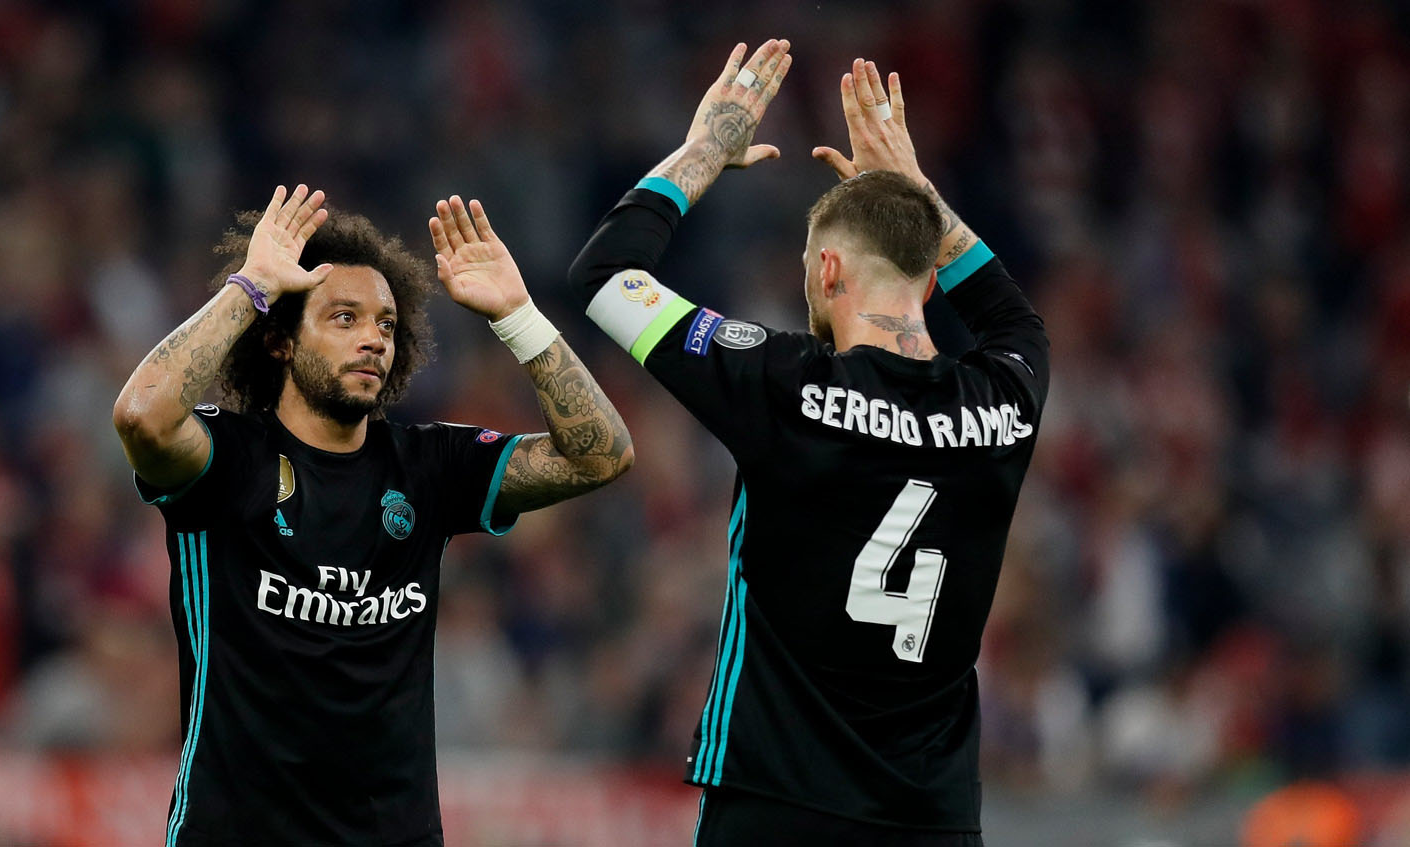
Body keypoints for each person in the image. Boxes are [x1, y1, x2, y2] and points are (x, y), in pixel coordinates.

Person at [567, 42, 1047, 846]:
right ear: (931, 280)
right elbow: (1014, 319)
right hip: (932, 819)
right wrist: (916, 193)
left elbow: (607, 274)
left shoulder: (784, 383)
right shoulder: (1005, 401)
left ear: (827, 270)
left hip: (776, 804)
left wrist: (704, 149)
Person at [112, 184, 633, 846]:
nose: (372, 341)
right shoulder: (229, 459)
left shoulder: (429, 466)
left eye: (385, 324)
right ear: (279, 341)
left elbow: (602, 455)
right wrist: (252, 287)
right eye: (344, 318)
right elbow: (140, 414)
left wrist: (517, 315)